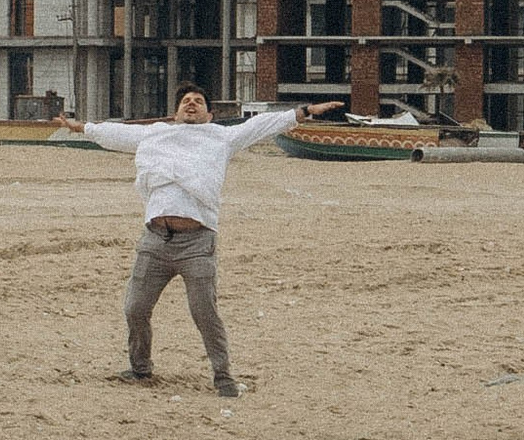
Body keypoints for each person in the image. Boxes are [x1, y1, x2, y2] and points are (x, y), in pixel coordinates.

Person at [60, 83, 344, 393]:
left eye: (198, 101)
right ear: (176, 113)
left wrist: (305, 111)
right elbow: (114, 133)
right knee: (135, 308)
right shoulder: (155, 135)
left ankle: (223, 377)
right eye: (186, 100)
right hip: (155, 240)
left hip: (197, 243)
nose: (191, 104)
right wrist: (80, 127)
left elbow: (261, 125)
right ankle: (140, 369)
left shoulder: (221, 137)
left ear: (209, 115)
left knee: (204, 313)